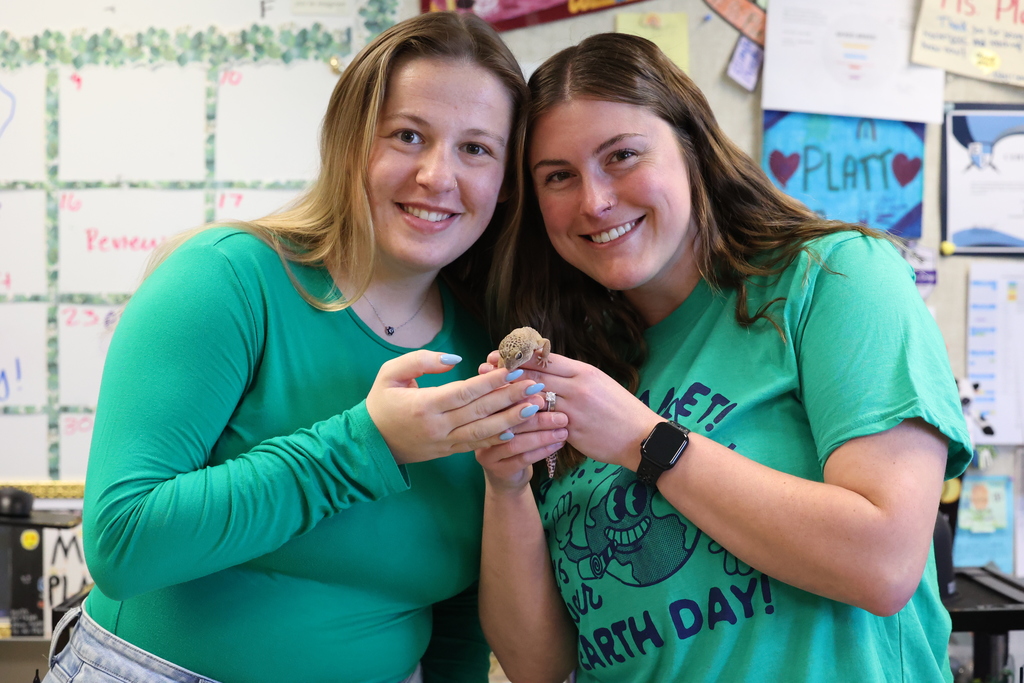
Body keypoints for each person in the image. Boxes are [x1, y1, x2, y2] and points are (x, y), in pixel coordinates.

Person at [45, 12, 545, 683]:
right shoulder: (225, 278)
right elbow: (122, 541)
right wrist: (366, 445)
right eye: (407, 135)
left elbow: (453, 614)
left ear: (507, 181)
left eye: (476, 149)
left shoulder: (485, 344)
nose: (435, 175)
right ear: (350, 143)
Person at [475, 33, 972, 683]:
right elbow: (537, 665)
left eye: (621, 156)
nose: (594, 200)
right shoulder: (579, 359)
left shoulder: (833, 278)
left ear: (692, 148)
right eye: (558, 176)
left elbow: (881, 564)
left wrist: (644, 440)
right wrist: (505, 481)